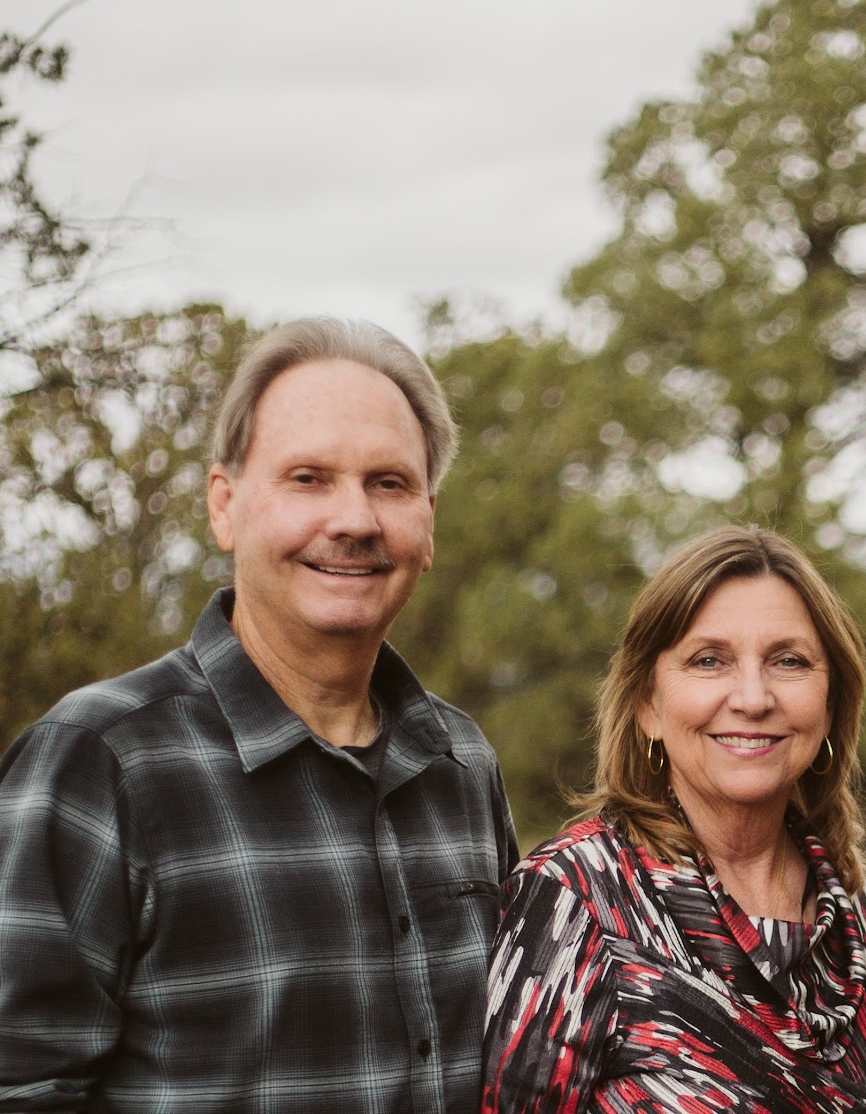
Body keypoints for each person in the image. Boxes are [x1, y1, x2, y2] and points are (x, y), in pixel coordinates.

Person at [0, 318, 517, 1112]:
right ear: (225, 506)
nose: (354, 519)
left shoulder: (462, 763)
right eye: (308, 478)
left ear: (428, 521)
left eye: (389, 482)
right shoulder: (100, 761)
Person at [482, 526, 866, 1113]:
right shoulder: (574, 898)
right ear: (648, 704)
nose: (753, 698)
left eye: (788, 661)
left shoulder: (854, 905)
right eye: (709, 661)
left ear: (832, 702)